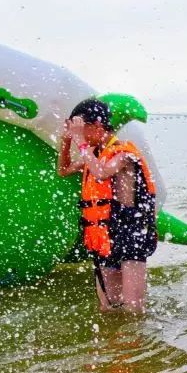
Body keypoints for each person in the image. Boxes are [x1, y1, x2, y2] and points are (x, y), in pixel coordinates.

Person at [58, 98, 158, 314]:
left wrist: (80, 142)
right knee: (109, 307)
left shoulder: (124, 153)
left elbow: (102, 172)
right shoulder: (93, 156)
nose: (80, 136)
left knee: (133, 309)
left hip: (131, 231)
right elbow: (64, 169)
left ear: (97, 127)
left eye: (81, 130)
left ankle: (139, 345)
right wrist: (66, 141)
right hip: (105, 231)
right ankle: (112, 346)